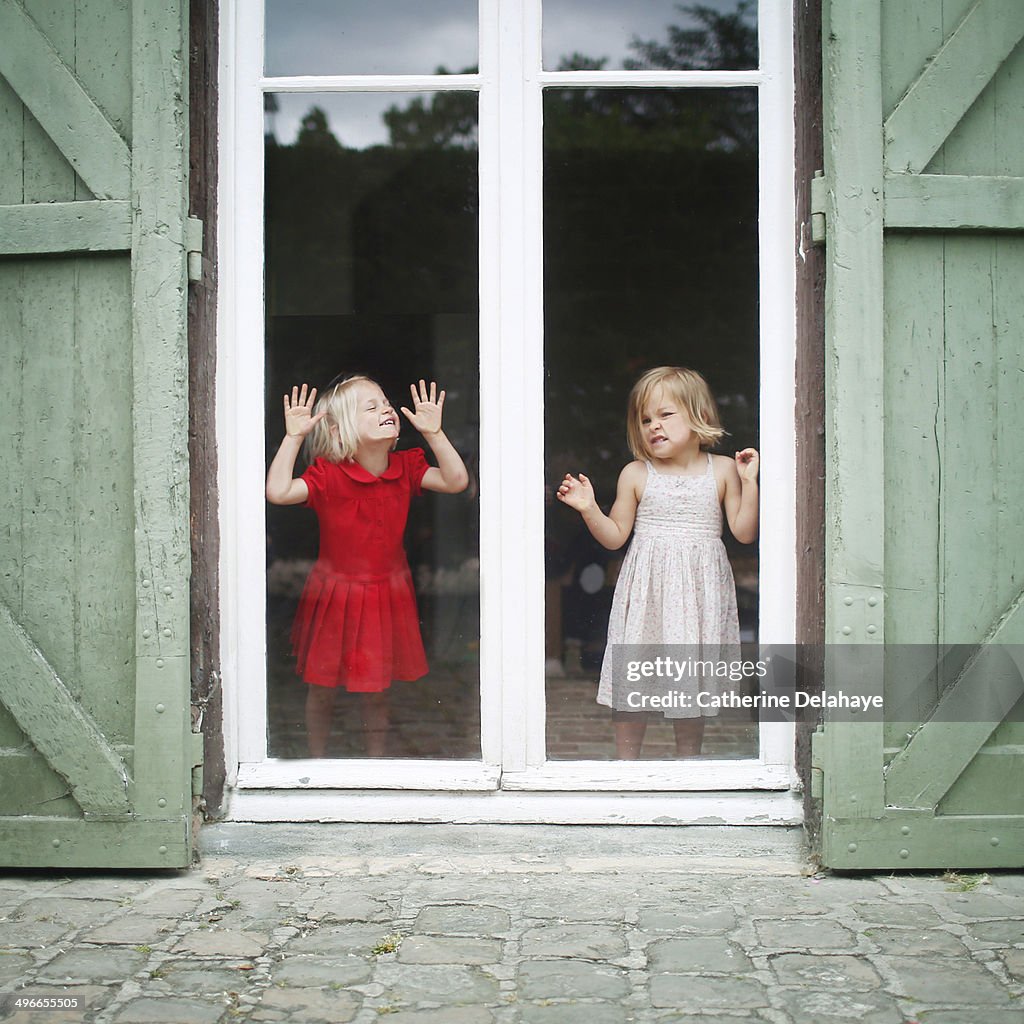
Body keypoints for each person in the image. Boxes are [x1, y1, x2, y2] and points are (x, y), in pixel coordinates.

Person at [557, 366, 758, 760]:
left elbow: (744, 532)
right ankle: (626, 764)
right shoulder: (636, 473)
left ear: (697, 414)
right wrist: (587, 508)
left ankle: (688, 762)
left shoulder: (722, 470)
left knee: (690, 675)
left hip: (698, 591)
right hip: (648, 589)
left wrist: (749, 482)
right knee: (637, 670)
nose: (653, 426)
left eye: (665, 415)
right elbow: (615, 535)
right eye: (645, 419)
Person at [266, 376, 469, 757]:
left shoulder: (407, 467)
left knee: (377, 692)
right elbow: (278, 492)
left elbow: (456, 481)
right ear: (339, 430)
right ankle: (317, 762)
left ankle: (376, 764)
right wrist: (293, 437)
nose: (386, 410)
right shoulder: (328, 474)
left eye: (386, 403)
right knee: (321, 690)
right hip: (335, 594)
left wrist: (435, 432)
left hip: (385, 594)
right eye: (371, 407)